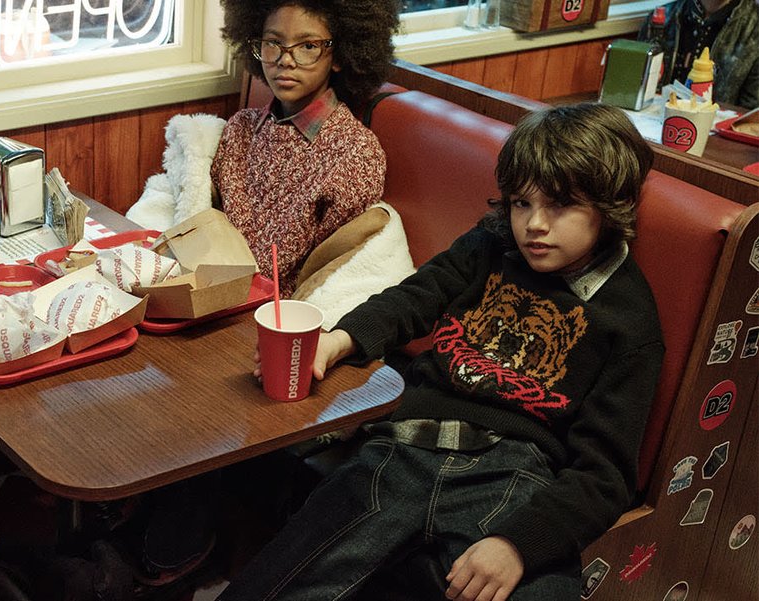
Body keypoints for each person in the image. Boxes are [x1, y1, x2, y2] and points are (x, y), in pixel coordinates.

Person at [224, 103, 664, 601]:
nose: (534, 225)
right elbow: (417, 296)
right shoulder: (492, 244)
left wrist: (517, 545)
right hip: (405, 444)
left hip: (515, 475)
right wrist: (336, 341)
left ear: (609, 208)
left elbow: (604, 475)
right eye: (521, 203)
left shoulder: (630, 320)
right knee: (280, 579)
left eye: (559, 205)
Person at [211, 0, 400, 297]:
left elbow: (326, 275)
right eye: (274, 43)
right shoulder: (240, 129)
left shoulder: (355, 153)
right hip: (211, 293)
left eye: (308, 46)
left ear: (338, 55)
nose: (286, 60)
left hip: (284, 315)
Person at [638, 0, 758, 108]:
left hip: (716, 126)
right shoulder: (663, 17)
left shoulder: (753, 28)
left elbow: (750, 114)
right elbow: (638, 88)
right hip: (655, 119)